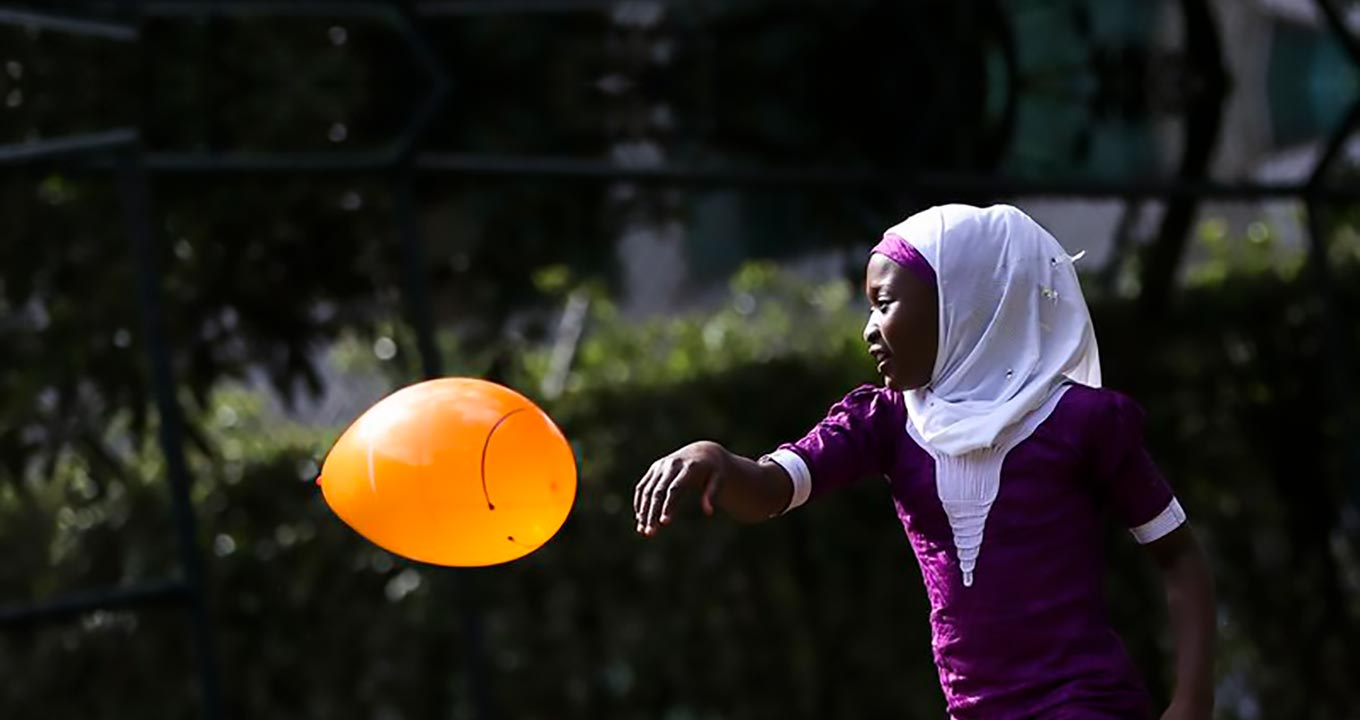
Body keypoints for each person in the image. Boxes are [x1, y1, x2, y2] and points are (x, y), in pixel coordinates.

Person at [633, 204, 1216, 719]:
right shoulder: (884, 423)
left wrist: (1191, 702)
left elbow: (1178, 553)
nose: (868, 330)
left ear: (963, 304)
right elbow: (770, 489)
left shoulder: (1081, 421)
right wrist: (715, 459)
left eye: (884, 304)